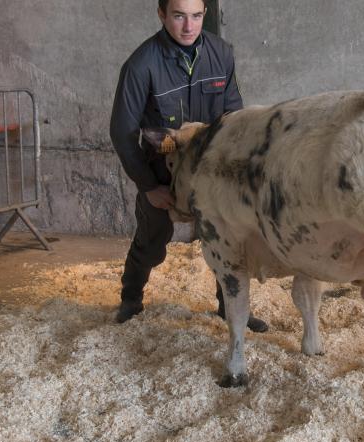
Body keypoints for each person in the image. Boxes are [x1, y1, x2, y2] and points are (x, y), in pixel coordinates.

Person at [109, 0, 268, 332]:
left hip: (212, 172)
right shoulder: (141, 65)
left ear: (205, 15)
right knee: (152, 242)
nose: (188, 26)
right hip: (162, 174)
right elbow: (122, 131)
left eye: (196, 16)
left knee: (227, 241)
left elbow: (234, 116)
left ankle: (230, 310)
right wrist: (148, 185)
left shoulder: (221, 53)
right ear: (162, 14)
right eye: (179, 16)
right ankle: (130, 299)